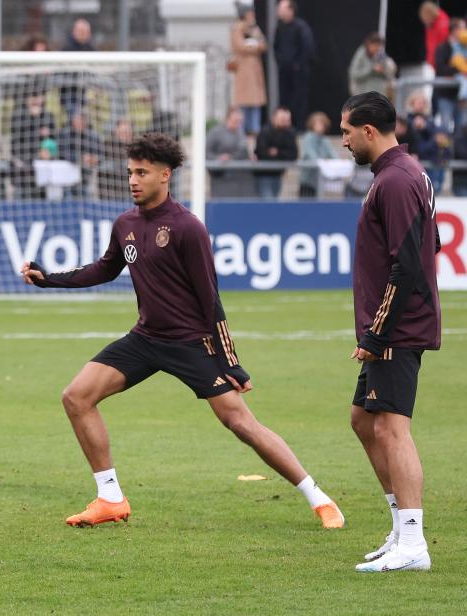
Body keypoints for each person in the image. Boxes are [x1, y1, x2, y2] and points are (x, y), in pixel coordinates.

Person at [18, 132, 344, 530]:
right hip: (145, 339)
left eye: (142, 172)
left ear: (165, 175)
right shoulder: (126, 224)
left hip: (192, 343)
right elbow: (104, 269)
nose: (133, 180)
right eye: (130, 172)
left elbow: (211, 300)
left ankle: (319, 498)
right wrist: (49, 279)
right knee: (76, 397)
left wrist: (231, 363)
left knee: (240, 424)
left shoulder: (188, 227)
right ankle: (110, 497)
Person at [340, 91, 441, 572]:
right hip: (394, 323)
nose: (342, 142)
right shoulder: (402, 173)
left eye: (345, 132)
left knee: (391, 428)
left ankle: (414, 545)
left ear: (368, 131)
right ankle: (401, 528)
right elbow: (431, 244)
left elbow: (407, 264)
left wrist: (379, 332)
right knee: (364, 421)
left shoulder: (397, 181)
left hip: (397, 326)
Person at [273, 0, 314, 131]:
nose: (279, 11)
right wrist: (280, 62)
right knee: (284, 99)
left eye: (282, 8)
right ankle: (285, 127)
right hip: (284, 70)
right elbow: (276, 47)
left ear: (291, 10)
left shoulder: (301, 27)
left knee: (299, 99)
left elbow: (307, 48)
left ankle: (300, 127)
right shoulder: (280, 27)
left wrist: (297, 64)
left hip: (299, 71)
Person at [229, 3, 267, 136]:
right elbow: (240, 47)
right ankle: (242, 131)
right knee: (244, 103)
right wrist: (253, 45)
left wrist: (255, 43)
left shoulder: (254, 29)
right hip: (243, 71)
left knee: (256, 104)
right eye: (250, 13)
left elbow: (263, 45)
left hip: (255, 71)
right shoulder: (237, 29)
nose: (253, 15)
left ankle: (255, 130)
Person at [206, 106, 254, 198]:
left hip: (241, 183)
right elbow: (206, 154)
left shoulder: (241, 133)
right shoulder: (215, 132)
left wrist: (250, 156)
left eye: (240, 121)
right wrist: (218, 158)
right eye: (236, 120)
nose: (238, 124)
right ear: (227, 119)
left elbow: (243, 151)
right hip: (221, 182)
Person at [254, 106, 298, 198]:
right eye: (282, 119)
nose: (284, 122)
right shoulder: (265, 131)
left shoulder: (289, 133)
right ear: (274, 118)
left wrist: (278, 152)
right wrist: (281, 155)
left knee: (274, 200)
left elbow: (293, 154)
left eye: (286, 120)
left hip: (278, 175)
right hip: (263, 175)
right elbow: (262, 153)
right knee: (268, 202)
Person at [59, 18, 96, 116]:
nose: (84, 34)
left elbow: (94, 71)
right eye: (81, 31)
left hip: (86, 91)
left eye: (86, 32)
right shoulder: (66, 49)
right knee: (75, 116)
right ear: (74, 32)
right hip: (69, 93)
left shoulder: (91, 49)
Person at [299, 111, 337, 198]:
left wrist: (337, 160)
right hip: (307, 181)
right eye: (318, 124)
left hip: (319, 180)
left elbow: (332, 154)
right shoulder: (308, 137)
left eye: (322, 124)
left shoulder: (325, 140)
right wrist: (322, 161)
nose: (320, 127)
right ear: (312, 124)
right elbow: (310, 154)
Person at [349, 33, 397, 98]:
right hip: (362, 96)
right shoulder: (361, 54)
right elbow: (353, 74)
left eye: (378, 46)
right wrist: (371, 69)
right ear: (369, 44)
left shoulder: (381, 55)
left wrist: (384, 70)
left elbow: (390, 75)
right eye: (375, 45)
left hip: (379, 96)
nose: (376, 48)